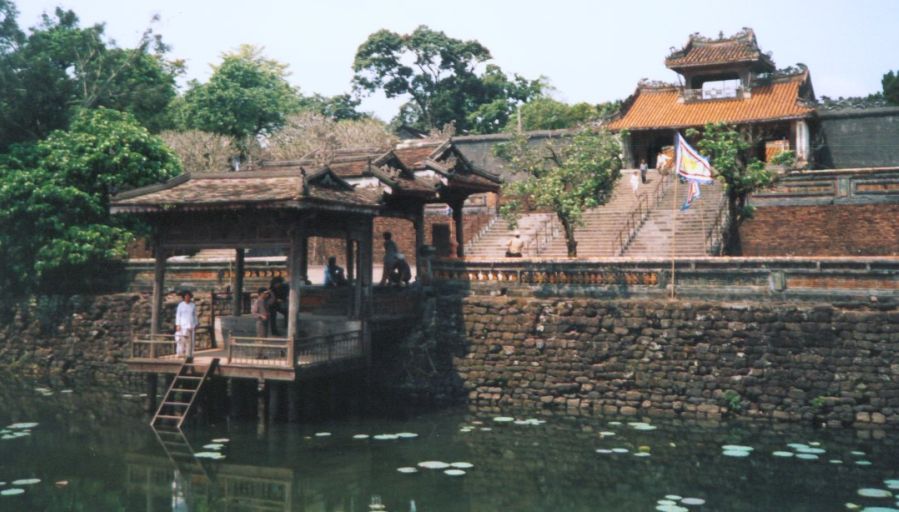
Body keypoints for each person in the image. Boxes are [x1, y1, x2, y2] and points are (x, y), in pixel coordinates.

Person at [175, 290, 198, 358]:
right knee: (180, 340)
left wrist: (196, 323)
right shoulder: (180, 305)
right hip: (182, 325)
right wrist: (178, 325)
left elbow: (194, 315)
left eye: (188, 296)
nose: (187, 298)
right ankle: (179, 353)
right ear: (184, 297)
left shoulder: (192, 305)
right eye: (186, 296)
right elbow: (178, 315)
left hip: (190, 325)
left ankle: (189, 353)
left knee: (190, 340)